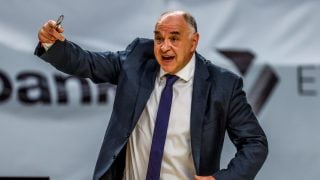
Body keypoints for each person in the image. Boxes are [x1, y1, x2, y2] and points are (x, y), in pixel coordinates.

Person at [35, 10, 268, 180]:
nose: (164, 47)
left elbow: (255, 143)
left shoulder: (222, 85)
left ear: (193, 42)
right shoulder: (138, 59)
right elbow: (89, 63)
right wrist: (53, 45)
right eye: (159, 38)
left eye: (174, 38)